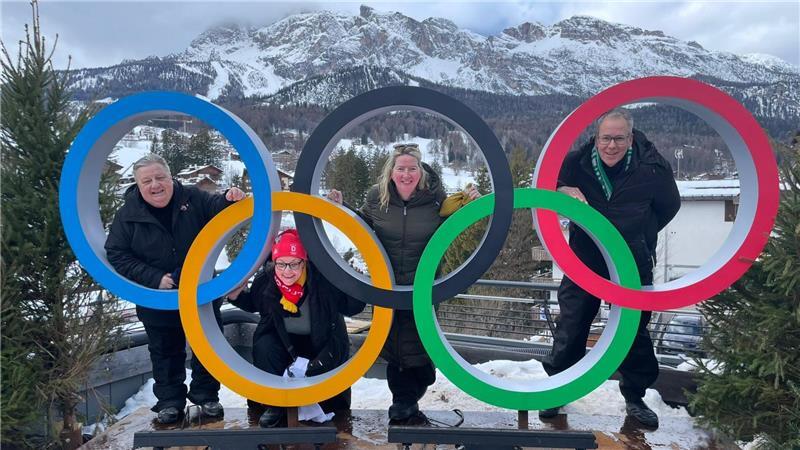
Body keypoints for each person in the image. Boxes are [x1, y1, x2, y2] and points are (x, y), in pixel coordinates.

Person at [539, 109, 680, 428]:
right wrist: (562, 191)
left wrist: (641, 232)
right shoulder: (577, 161)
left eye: (619, 138)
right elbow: (549, 184)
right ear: (596, 137)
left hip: (632, 258)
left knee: (632, 330)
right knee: (572, 324)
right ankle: (556, 390)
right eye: (606, 138)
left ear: (630, 138)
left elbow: (669, 206)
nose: (611, 145)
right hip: (585, 258)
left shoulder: (653, 167)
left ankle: (635, 397)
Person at [328, 143, 479, 425]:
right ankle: (402, 403)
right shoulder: (377, 197)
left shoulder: (436, 200)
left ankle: (407, 399)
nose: (406, 174)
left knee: (419, 348)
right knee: (394, 348)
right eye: (401, 168)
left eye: (412, 168)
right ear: (391, 171)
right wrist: (341, 207)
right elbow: (362, 225)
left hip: (422, 289)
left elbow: (458, 224)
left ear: (420, 171)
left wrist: (474, 202)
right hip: (387, 288)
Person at [105, 153, 246, 424]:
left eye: (160, 177)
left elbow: (218, 206)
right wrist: (155, 278)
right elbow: (117, 253)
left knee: (208, 347)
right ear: (137, 184)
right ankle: (170, 401)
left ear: (171, 178)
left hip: (201, 291)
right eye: (147, 180)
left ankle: (206, 396)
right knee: (164, 350)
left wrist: (229, 197)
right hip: (158, 295)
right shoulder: (127, 215)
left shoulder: (193, 198)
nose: (155, 185)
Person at [225, 229, 366, 427]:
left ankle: (328, 412)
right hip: (285, 343)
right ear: (274, 263)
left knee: (329, 399)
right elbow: (254, 303)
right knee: (265, 346)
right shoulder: (267, 281)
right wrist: (237, 296)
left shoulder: (323, 281)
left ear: (304, 262)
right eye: (281, 264)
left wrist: (355, 286)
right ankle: (274, 405)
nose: (287, 271)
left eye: (294, 264)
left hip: (321, 342)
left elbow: (352, 307)